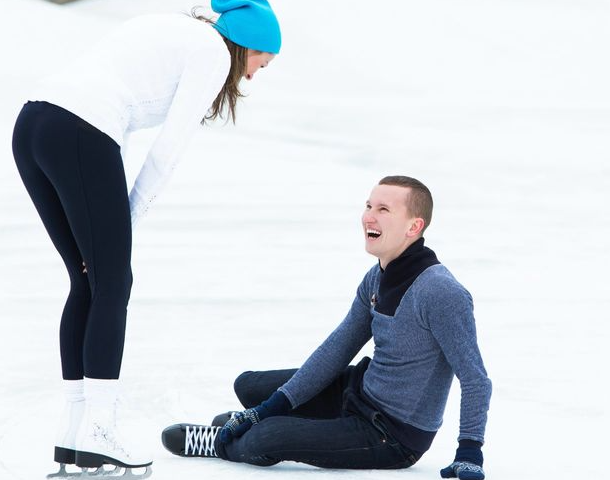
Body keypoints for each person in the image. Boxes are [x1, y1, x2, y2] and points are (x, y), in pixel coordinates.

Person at [11, 1, 281, 477]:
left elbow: (117, 116)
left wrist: (110, 231)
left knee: (87, 281)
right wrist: (124, 226)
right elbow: (167, 148)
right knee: (112, 283)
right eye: (265, 59)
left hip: (33, 124)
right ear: (249, 44)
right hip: (79, 131)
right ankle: (99, 429)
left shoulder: (170, 29)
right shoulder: (214, 53)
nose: (259, 72)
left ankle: (73, 430)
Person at [162, 176, 493, 480]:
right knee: (249, 387)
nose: (369, 217)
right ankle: (255, 422)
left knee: (265, 439)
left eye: (383, 209)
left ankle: (223, 442)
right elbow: (337, 349)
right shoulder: (377, 277)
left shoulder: (441, 292)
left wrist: (470, 452)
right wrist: (266, 409)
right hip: (358, 392)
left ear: (413, 226)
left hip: (391, 433)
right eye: (368, 206)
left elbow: (475, 378)